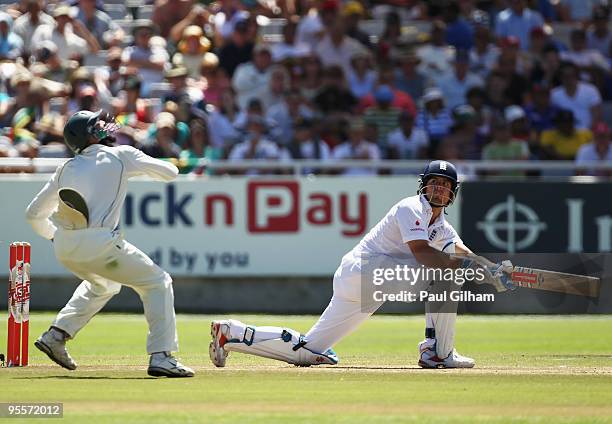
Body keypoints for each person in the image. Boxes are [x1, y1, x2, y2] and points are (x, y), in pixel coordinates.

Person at [209, 160, 514, 368]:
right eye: (434, 183)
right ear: (423, 186)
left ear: (453, 193)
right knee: (446, 273)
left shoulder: (442, 226)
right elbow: (423, 253)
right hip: (367, 272)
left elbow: (461, 250)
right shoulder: (410, 207)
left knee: (309, 351)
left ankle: (231, 333)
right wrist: (469, 269)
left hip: (361, 283)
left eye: (445, 185)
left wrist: (489, 269)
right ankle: (438, 352)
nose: (439, 189)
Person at [25, 110, 194, 377]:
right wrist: (137, 162)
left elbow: (33, 214)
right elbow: (171, 172)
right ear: (88, 136)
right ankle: (162, 356)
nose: (104, 127)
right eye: (96, 126)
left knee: (104, 284)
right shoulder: (122, 155)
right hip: (100, 244)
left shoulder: (65, 168)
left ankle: (56, 335)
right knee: (157, 282)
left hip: (65, 247)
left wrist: (53, 236)